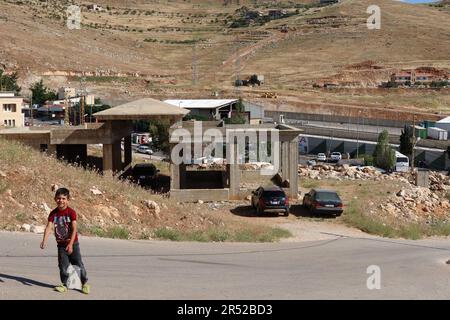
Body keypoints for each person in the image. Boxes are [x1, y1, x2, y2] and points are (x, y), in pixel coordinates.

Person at [40, 187, 90, 294]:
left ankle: (84, 283)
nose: (61, 201)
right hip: (61, 245)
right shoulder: (53, 213)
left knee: (78, 264)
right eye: (58, 198)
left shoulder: (71, 212)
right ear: (55, 199)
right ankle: (64, 284)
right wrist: (44, 240)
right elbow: (49, 226)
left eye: (63, 198)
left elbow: (74, 229)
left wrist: (71, 244)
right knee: (63, 265)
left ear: (68, 200)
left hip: (73, 244)